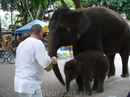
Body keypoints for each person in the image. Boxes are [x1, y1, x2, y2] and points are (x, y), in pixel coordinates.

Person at [14, 24, 57, 97]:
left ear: (30, 33)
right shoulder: (37, 43)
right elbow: (45, 63)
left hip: (19, 82)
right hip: (31, 83)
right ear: (40, 33)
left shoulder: (21, 44)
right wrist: (53, 59)